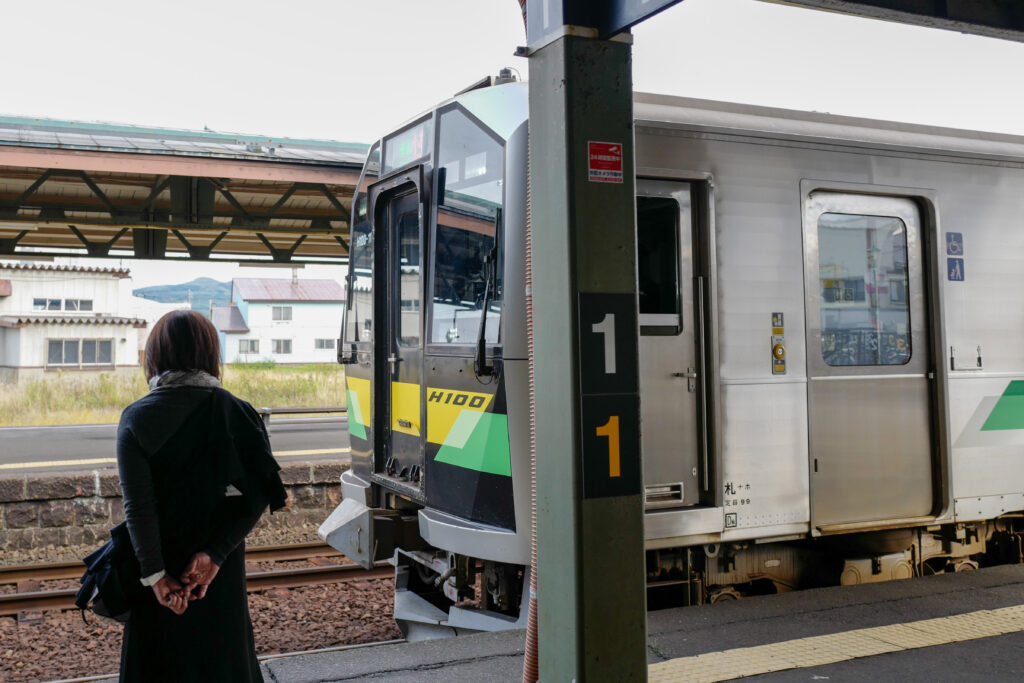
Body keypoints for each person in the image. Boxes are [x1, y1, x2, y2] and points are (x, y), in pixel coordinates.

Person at [116, 310, 286, 682]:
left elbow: (139, 508)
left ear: (155, 355)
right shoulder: (238, 412)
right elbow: (258, 496)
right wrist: (214, 554)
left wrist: (156, 576)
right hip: (216, 569)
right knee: (223, 661)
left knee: (158, 665)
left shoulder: (137, 418)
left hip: (160, 564)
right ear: (210, 353)